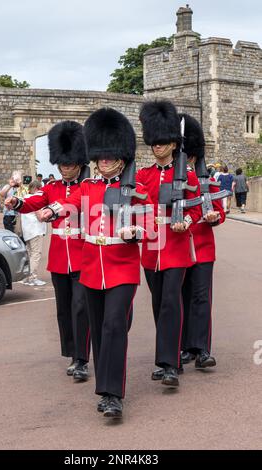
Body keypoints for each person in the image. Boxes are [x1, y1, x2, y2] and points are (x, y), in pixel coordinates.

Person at [39, 108, 153, 420]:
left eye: (108, 156)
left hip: (123, 270)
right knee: (101, 332)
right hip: (91, 270)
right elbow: (71, 203)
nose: (103, 161)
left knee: (115, 326)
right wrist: (54, 210)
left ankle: (114, 395)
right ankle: (104, 389)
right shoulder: (87, 187)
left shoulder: (135, 190)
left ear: (121, 156)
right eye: (99, 156)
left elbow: (152, 227)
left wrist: (135, 231)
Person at [4, 121, 91, 382]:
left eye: (70, 164)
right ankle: (72, 353)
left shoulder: (87, 186)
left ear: (79, 162)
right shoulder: (52, 187)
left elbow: (72, 204)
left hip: (83, 256)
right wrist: (17, 202)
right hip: (59, 259)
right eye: (62, 165)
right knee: (64, 310)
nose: (66, 169)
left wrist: (53, 210)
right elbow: (35, 201)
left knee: (80, 307)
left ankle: (82, 358)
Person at [137, 100, 202, 388]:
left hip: (175, 248)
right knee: (157, 304)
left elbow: (195, 208)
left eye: (163, 142)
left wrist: (185, 222)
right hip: (151, 248)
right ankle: (168, 357)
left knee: (170, 304)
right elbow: (137, 206)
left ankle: (170, 363)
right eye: (154, 142)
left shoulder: (186, 175)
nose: (157, 147)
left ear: (174, 144)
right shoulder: (143, 175)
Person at [179, 114, 226, 369]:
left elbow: (219, 211)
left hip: (203, 249)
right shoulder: (173, 181)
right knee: (180, 298)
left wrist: (213, 216)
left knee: (201, 298)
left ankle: (202, 348)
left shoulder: (207, 183)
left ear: (194, 157)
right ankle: (184, 346)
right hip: (178, 249)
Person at [21, 181, 47, 286]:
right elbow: (40, 217)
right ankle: (33, 277)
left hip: (27, 231)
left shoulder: (25, 198)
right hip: (36, 230)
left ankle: (27, 277)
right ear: (37, 189)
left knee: (30, 254)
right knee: (36, 254)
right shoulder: (35, 200)